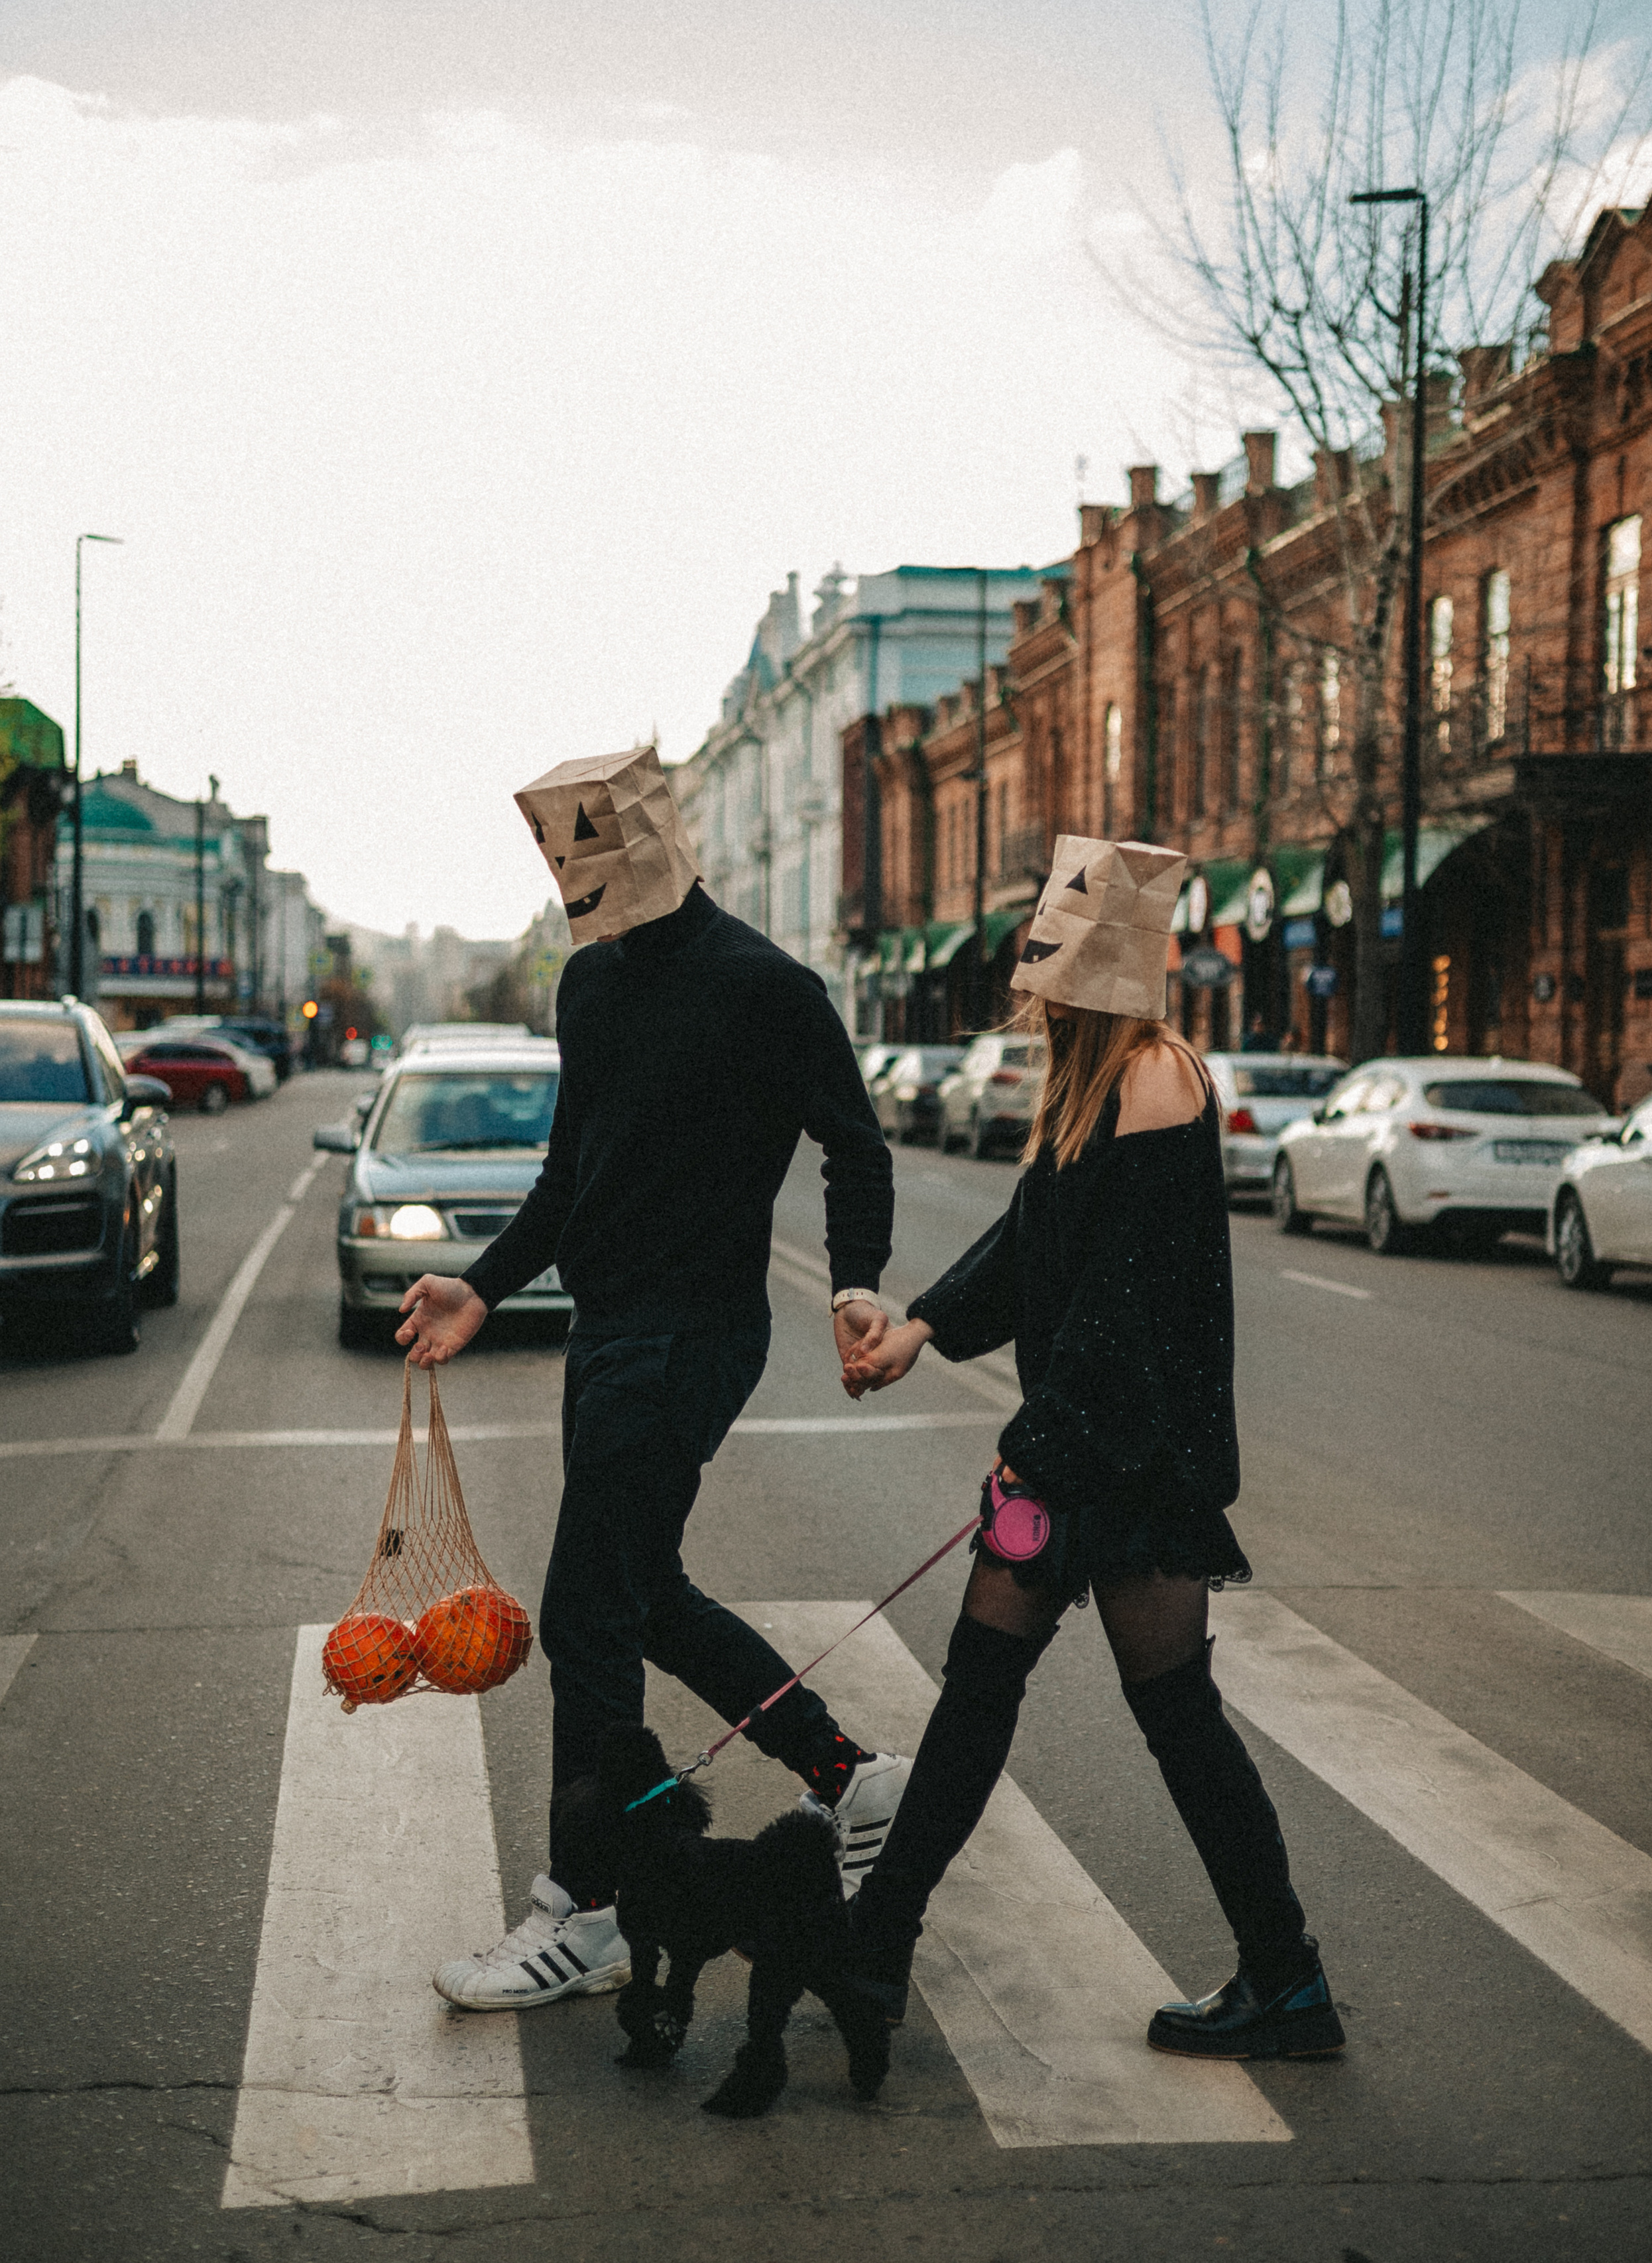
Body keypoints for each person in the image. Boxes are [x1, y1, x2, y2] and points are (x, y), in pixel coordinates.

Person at [399, 744, 911, 2011]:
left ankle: (592, 1904)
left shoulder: (766, 987)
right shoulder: (588, 986)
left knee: (586, 1614)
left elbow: (857, 1144)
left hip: (697, 1337)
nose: (583, 882)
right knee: (647, 1591)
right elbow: (571, 1175)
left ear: (656, 839)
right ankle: (848, 1771)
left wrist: (854, 1284)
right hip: (607, 1332)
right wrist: (485, 1282)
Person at [840, 835, 1343, 2062]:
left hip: (1126, 1460)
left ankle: (878, 1949)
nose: (1039, 985)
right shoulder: (1089, 1082)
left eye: (1053, 964)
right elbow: (1032, 1246)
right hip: (1108, 1456)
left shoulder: (1158, 1078)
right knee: (1084, 1701)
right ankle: (1284, 1980)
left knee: (1049, 1697)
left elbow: (1126, 1305)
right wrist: (918, 1326)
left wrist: (1031, 1455)